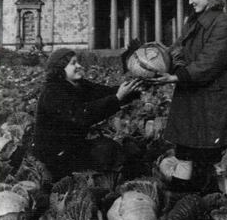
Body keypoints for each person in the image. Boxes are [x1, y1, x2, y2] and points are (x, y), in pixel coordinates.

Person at [149, 0, 227, 193]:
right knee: (185, 154)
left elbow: (209, 62)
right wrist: (162, 60)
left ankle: (211, 201)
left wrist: (178, 76)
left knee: (209, 158)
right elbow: (177, 49)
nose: (189, 1)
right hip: (193, 98)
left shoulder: (222, 24)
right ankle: (179, 202)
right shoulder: (193, 22)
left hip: (213, 102)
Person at [31, 48, 143, 182]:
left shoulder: (77, 85)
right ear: (60, 68)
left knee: (110, 148)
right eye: (73, 63)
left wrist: (135, 89)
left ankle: (115, 179)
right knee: (107, 150)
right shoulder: (53, 92)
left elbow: (105, 92)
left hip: (71, 148)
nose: (79, 66)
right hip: (54, 156)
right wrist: (117, 98)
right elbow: (83, 115)